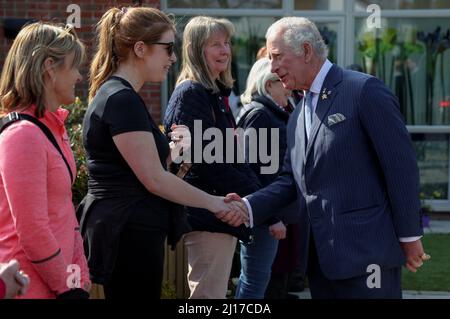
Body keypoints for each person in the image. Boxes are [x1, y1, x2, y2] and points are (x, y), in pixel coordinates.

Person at [223, 17, 429, 299]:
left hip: (367, 257)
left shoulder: (363, 91)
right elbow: (291, 182)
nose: (272, 67)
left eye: (277, 56)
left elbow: (400, 169)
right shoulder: (296, 115)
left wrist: (410, 236)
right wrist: (247, 206)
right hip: (320, 262)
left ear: (306, 51)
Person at [77, 8, 244, 300]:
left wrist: (173, 151)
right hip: (129, 230)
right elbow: (153, 179)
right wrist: (214, 202)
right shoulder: (121, 98)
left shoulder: (122, 96)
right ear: (140, 49)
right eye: (167, 48)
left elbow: (146, 168)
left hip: (133, 228)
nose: (173, 58)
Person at [164, 16, 261, 299]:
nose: (225, 51)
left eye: (227, 43)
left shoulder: (214, 94)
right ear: (196, 50)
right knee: (208, 296)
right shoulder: (192, 93)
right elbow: (208, 160)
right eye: (215, 44)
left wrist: (257, 197)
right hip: (209, 212)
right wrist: (256, 196)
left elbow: (232, 156)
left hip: (221, 210)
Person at [0, 22, 91, 299]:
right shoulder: (23, 135)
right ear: (50, 68)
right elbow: (32, 230)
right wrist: (67, 287)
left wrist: (79, 279)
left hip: (57, 286)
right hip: (27, 287)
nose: (79, 76)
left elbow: (66, 215)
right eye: (74, 66)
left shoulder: (52, 129)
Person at [234, 57, 299, 299]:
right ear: (268, 84)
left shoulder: (272, 113)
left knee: (255, 279)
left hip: (263, 212)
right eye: (281, 80)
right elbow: (253, 170)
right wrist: (271, 217)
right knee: (254, 281)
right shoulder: (260, 115)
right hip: (260, 215)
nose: (288, 85)